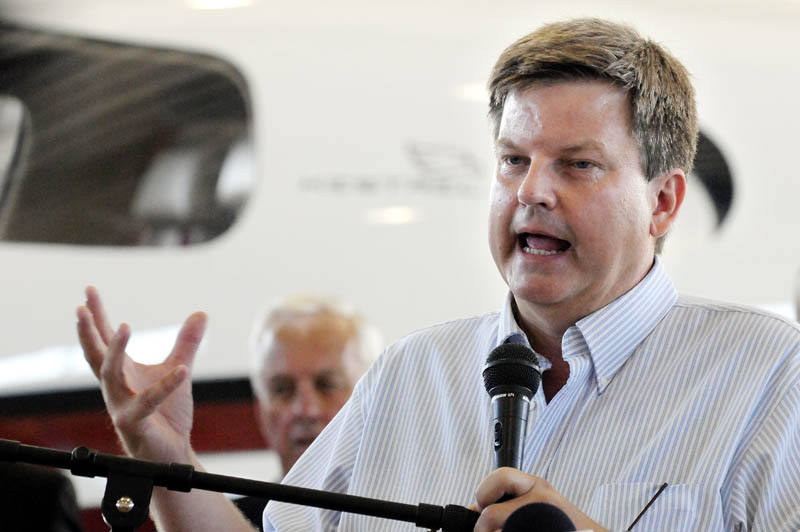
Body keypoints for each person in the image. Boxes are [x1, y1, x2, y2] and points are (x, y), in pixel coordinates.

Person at [75, 17, 800, 532]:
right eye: (514, 160)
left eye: (577, 165)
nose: (532, 193)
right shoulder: (407, 377)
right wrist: (167, 459)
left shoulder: (771, 380)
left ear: (665, 201)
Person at [233, 296, 377, 529]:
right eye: (282, 389)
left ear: (373, 400)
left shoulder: (423, 516)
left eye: (327, 384)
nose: (305, 410)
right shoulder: (228, 521)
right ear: (261, 412)